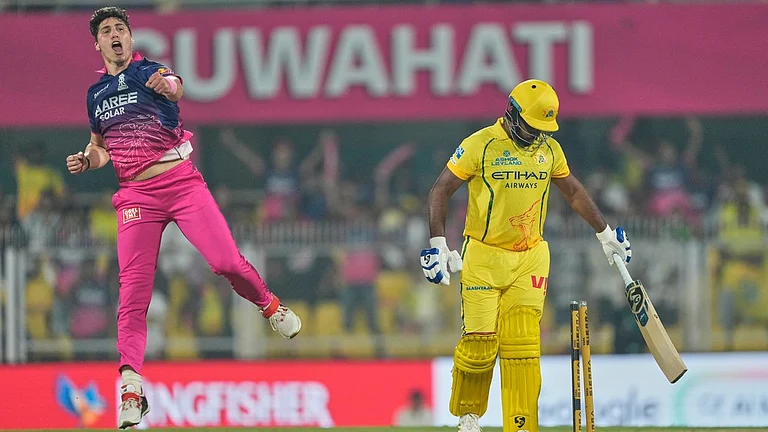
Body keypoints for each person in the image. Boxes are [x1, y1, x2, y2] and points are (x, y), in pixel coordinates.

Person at [66, 7, 301, 429]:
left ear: (131, 38)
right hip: (135, 193)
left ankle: (270, 306)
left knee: (225, 262)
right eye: (107, 31)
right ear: (97, 44)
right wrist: (89, 159)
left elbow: (176, 88)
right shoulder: (95, 94)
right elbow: (101, 146)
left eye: (121, 28)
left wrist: (168, 85)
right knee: (133, 294)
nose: (116, 34)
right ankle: (132, 389)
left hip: (180, 182)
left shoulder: (150, 70)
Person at [420, 79, 632, 432]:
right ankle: (469, 415)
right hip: (483, 258)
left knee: (523, 343)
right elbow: (440, 189)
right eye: (532, 127)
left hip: (530, 257)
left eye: (543, 129)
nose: (537, 135)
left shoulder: (549, 150)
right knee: (479, 345)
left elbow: (574, 192)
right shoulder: (480, 144)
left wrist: (605, 232)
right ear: (512, 113)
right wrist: (438, 244)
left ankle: (520, 424)